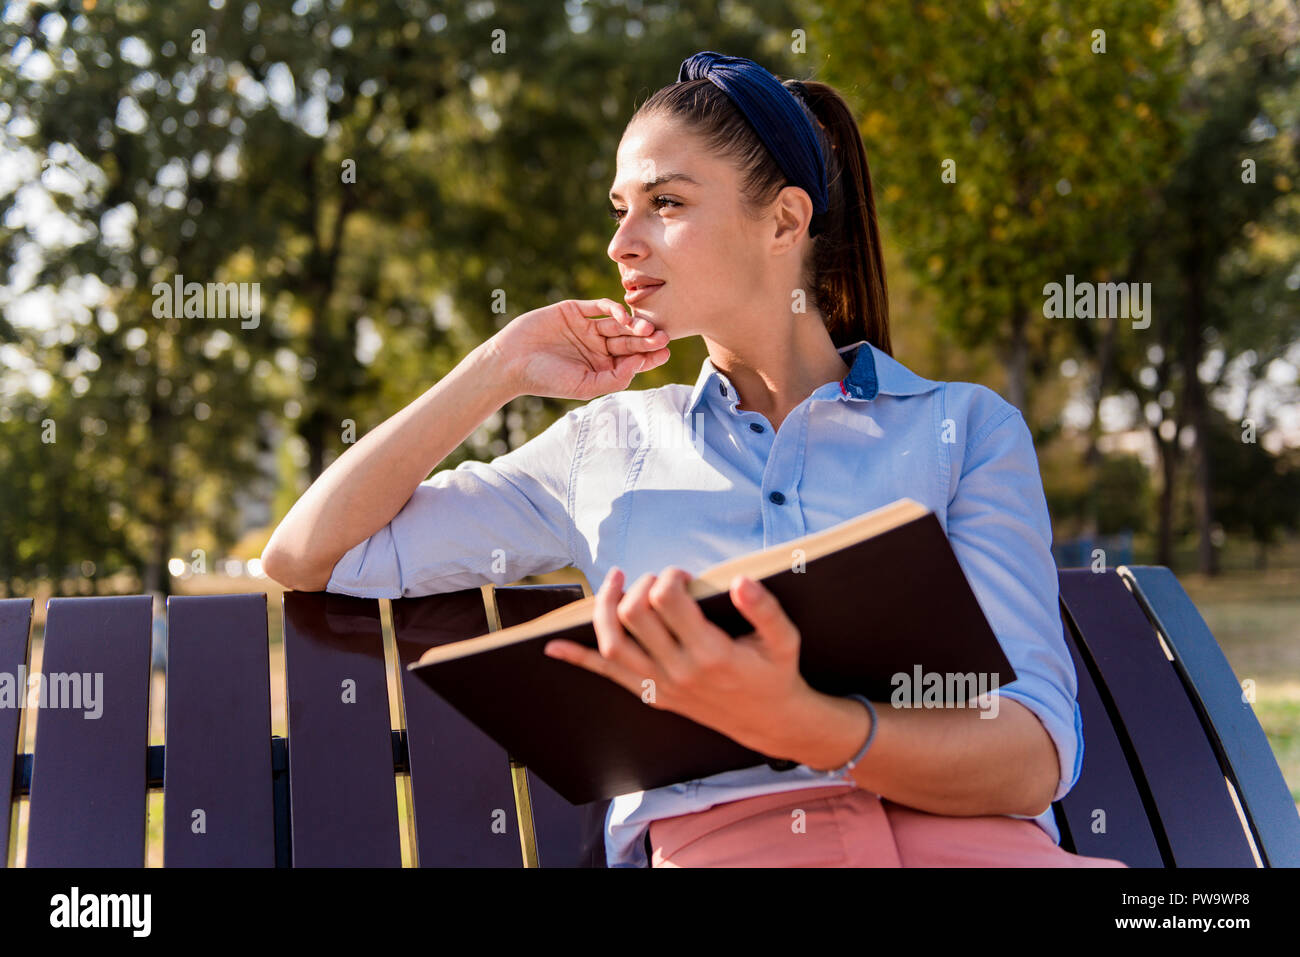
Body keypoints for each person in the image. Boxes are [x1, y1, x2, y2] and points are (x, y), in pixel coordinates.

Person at [261, 51, 1126, 868]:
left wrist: (813, 724)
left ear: (785, 218)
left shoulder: (966, 430)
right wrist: (501, 367)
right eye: (618, 209)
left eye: (664, 204)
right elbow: (311, 556)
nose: (622, 244)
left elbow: (1031, 755)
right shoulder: (605, 448)